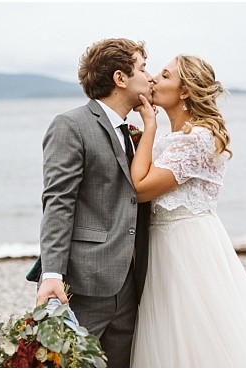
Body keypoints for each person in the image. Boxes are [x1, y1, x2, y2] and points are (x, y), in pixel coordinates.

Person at [127, 55, 246, 367]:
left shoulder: (198, 138)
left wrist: (150, 124)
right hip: (162, 248)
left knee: (198, 334)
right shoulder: (173, 139)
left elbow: (140, 190)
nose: (153, 79)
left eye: (165, 76)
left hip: (188, 247)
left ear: (184, 91)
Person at [26, 38, 153, 368]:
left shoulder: (133, 132)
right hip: (85, 281)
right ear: (120, 78)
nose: (149, 76)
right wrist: (52, 273)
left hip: (130, 281)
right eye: (142, 67)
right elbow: (58, 201)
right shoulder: (71, 125)